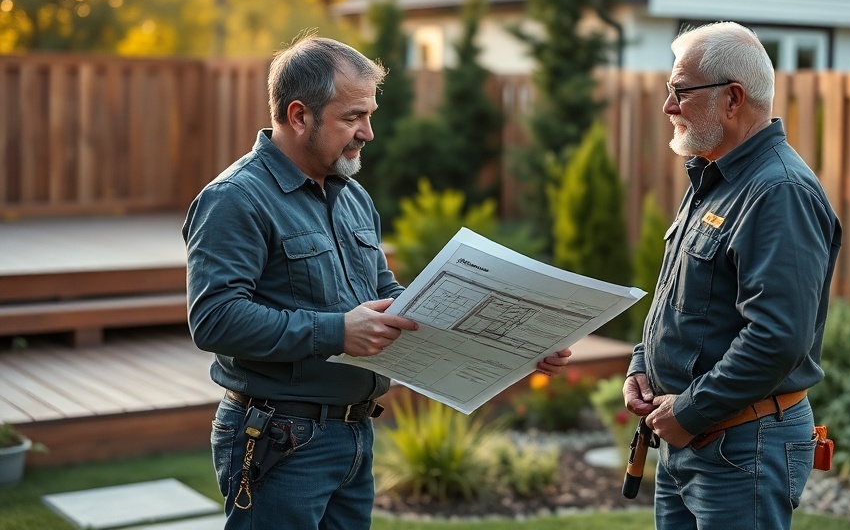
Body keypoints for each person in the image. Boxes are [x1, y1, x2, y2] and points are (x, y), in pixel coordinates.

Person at [182, 33, 571, 530]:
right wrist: (336, 331)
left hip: (355, 433)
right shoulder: (235, 199)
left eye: (368, 115)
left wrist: (514, 342)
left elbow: (390, 299)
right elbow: (215, 320)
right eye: (352, 118)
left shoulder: (353, 197)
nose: (368, 132)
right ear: (300, 116)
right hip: (280, 437)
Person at [622, 21, 843, 529]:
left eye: (680, 91)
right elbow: (683, 300)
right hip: (693, 441)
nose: (667, 107)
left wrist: (689, 411)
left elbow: (777, 337)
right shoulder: (714, 175)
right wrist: (642, 366)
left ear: (732, 98)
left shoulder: (778, 192)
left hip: (744, 447)